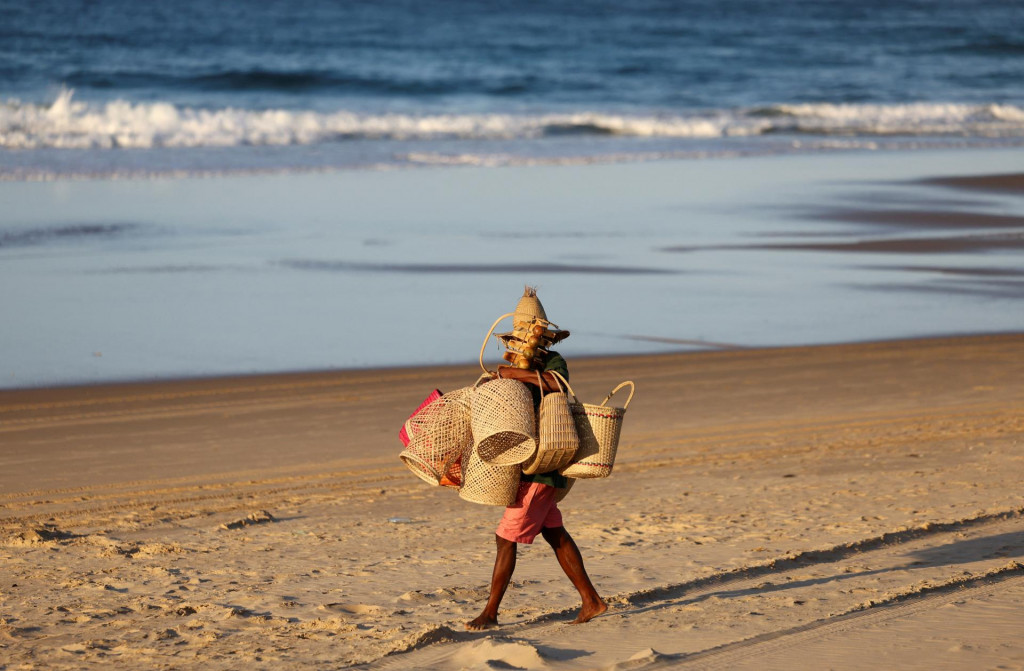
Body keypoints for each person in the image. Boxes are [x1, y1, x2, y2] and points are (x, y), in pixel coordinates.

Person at [466, 290, 607, 630]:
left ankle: (491, 613)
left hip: (544, 465)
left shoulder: (554, 362)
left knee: (506, 538)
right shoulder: (508, 368)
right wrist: (499, 378)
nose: (525, 343)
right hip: (528, 466)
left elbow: (557, 386)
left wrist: (513, 376)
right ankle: (592, 600)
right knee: (555, 534)